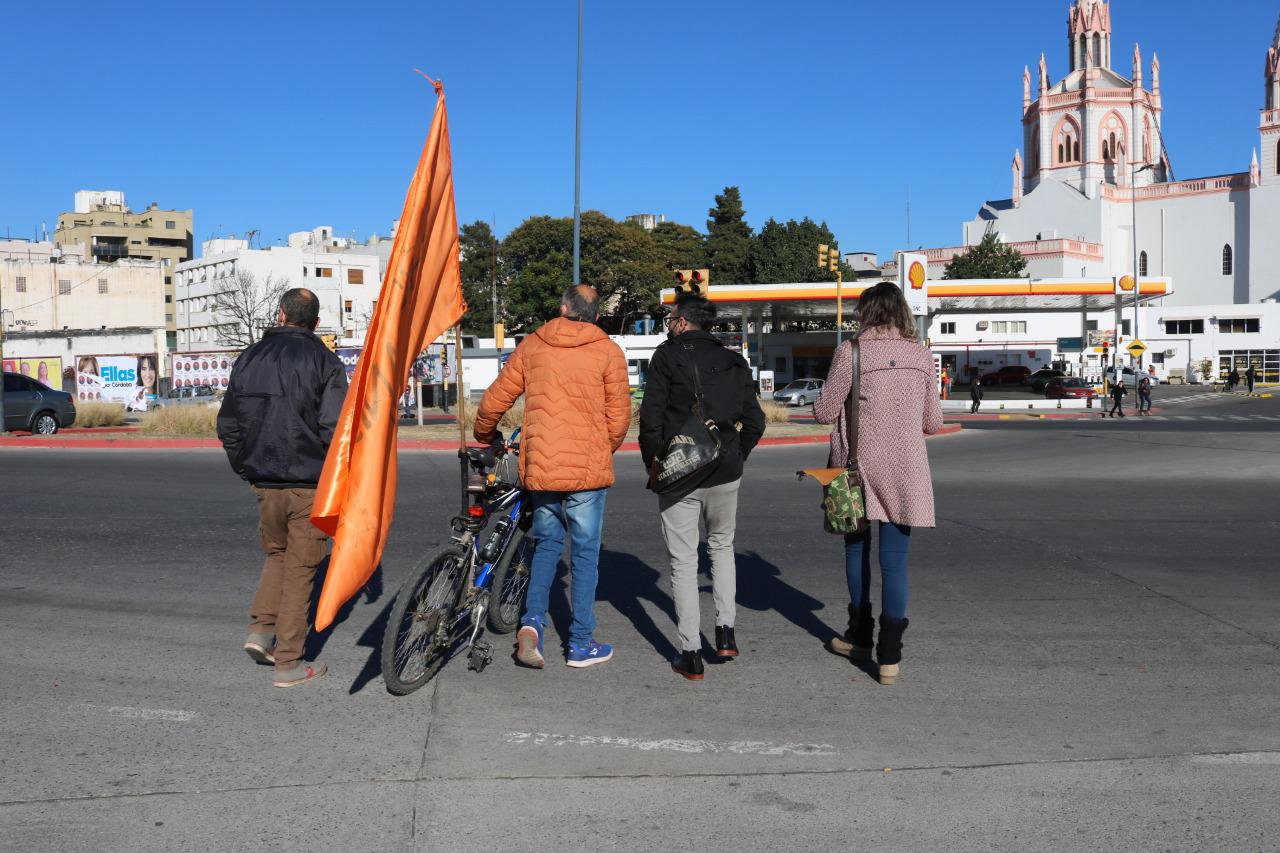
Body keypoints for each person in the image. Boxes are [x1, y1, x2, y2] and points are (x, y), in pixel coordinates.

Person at [474, 285, 630, 670]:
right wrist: (597, 451)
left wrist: (484, 434)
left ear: (563, 308)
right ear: (595, 315)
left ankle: (530, 625)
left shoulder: (533, 346)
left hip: (542, 469)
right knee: (585, 555)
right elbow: (620, 418)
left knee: (545, 545)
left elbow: (495, 399)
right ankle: (579, 644)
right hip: (587, 475)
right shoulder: (608, 351)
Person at [216, 288, 348, 688]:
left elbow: (229, 425)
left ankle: (261, 631)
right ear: (316, 322)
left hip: (263, 480)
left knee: (277, 555)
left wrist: (247, 466)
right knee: (301, 570)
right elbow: (335, 430)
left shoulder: (249, 357)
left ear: (280, 314)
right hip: (308, 483)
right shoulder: (325, 362)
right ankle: (289, 662)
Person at [814, 282, 944, 686]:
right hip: (906, 468)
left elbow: (823, 411)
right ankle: (890, 658)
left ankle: (858, 637)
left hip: (859, 469)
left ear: (865, 313)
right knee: (895, 562)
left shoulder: (850, 353)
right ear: (902, 311)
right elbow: (933, 422)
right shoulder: (922, 356)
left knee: (857, 552)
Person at [638, 294, 766, 681]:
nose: (669, 322)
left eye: (671, 317)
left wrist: (656, 464)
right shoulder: (733, 361)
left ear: (681, 322)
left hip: (679, 471)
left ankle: (690, 653)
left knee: (683, 561)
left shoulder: (667, 357)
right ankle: (725, 633)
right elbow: (755, 421)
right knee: (722, 547)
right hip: (725, 468)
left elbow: (651, 420)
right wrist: (736, 455)